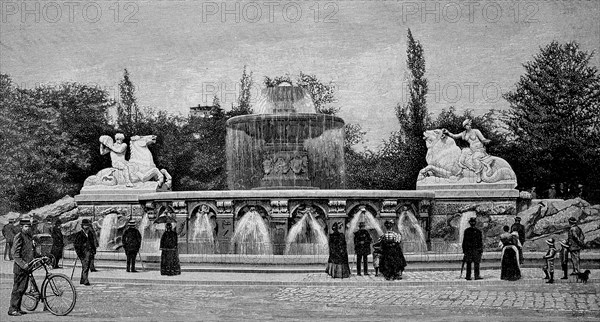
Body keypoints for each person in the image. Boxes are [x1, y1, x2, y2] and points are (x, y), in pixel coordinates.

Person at [8, 217, 37, 316]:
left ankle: (18, 308)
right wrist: (23, 264)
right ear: (21, 227)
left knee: (23, 288)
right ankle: (12, 309)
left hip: (27, 267)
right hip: (20, 268)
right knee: (17, 289)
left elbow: (31, 250)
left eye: (29, 226)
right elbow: (14, 254)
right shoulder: (19, 236)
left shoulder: (29, 236)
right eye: (25, 226)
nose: (28, 228)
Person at [73, 219, 97, 285]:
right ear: (82, 226)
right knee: (85, 266)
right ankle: (85, 280)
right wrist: (79, 253)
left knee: (86, 266)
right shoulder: (79, 234)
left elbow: (92, 243)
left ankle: (82, 280)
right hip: (83, 253)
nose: (87, 227)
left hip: (89, 252)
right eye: (85, 225)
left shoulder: (90, 234)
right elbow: (76, 244)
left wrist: (94, 250)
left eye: (87, 226)